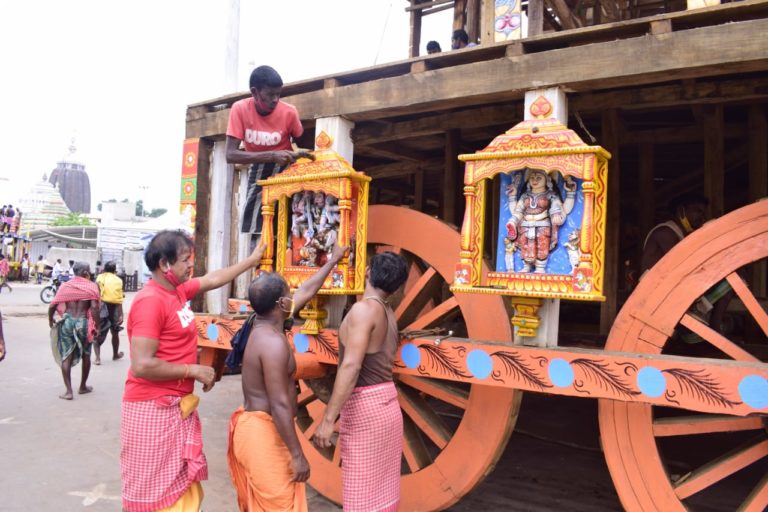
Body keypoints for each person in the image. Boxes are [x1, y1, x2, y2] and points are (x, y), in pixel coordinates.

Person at [121, 230, 266, 512]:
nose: (191, 266)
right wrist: (193, 370)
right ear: (164, 264)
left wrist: (251, 262)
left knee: (176, 487)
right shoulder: (151, 301)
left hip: (174, 407)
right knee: (151, 492)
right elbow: (142, 365)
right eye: (186, 260)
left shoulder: (176, 291)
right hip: (152, 407)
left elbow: (213, 279)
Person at [228, 243, 348, 512]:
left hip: (257, 427)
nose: (293, 297)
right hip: (262, 432)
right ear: (282, 303)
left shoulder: (260, 323)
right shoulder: (273, 343)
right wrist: (297, 455)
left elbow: (306, 290)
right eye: (288, 294)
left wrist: (332, 261)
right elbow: (280, 405)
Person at [313, 252, 409, 512]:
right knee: (382, 493)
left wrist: (328, 418)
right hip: (387, 405)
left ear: (367, 272)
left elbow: (352, 365)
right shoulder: (388, 313)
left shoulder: (364, 310)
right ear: (399, 286)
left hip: (366, 408)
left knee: (361, 497)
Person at [226, 65, 306, 237]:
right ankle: (259, 262)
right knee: (258, 227)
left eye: (278, 94)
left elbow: (302, 141)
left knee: (289, 224)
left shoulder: (289, 112)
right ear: (254, 92)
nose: (276, 99)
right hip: (259, 171)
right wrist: (271, 155)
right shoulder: (239, 109)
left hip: (286, 170)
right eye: (270, 94)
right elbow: (230, 155)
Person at [505, 169, 576, 273]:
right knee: (525, 245)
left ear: (547, 180)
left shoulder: (550, 195)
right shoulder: (525, 196)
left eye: (539, 178)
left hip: (543, 225)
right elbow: (518, 210)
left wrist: (556, 213)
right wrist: (512, 198)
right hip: (525, 225)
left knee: (542, 246)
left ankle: (540, 268)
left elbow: (559, 207)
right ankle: (526, 266)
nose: (535, 180)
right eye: (532, 178)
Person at [48, 262, 100, 400]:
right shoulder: (92, 286)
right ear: (84, 272)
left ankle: (69, 391)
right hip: (83, 322)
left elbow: (52, 305)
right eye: (88, 270)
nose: (90, 273)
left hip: (68, 322)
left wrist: (50, 320)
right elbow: (95, 308)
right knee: (86, 354)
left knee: (67, 355)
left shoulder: (66, 286)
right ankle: (82, 386)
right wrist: (98, 326)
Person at [94, 261, 124, 365]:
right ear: (115, 270)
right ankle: (115, 354)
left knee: (98, 331)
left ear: (105, 269)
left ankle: (97, 358)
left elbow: (96, 292)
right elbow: (119, 298)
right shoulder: (119, 280)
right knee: (115, 332)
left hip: (103, 306)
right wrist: (121, 314)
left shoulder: (100, 277)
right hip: (115, 307)